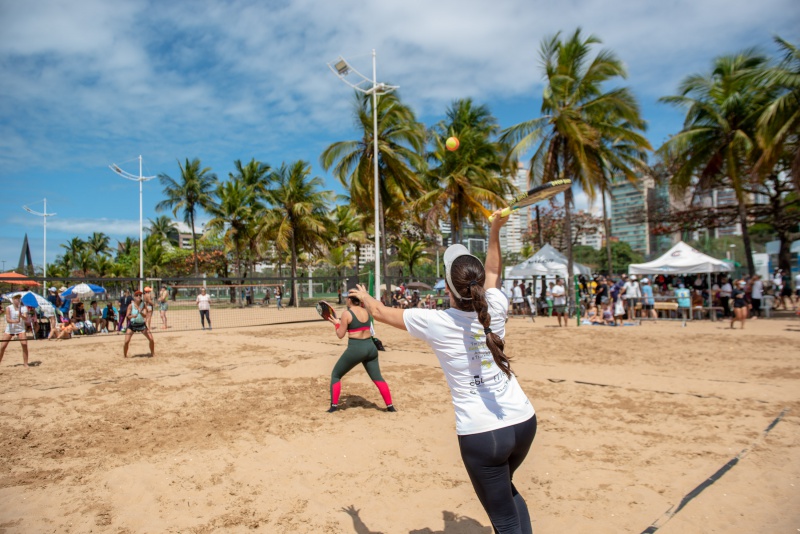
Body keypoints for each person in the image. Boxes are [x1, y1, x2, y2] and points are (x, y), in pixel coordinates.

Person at [348, 209, 536, 533]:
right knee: (507, 495)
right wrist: (494, 230)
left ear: (448, 289)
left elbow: (378, 311)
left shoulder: (435, 321)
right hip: (523, 422)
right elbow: (493, 269)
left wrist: (363, 296)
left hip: (483, 436)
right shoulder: (496, 304)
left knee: (503, 519)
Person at [324, 295, 396, 413]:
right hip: (371, 348)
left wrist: (337, 324)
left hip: (356, 348)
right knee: (377, 377)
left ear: (350, 300)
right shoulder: (367, 311)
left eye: (347, 297)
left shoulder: (347, 314)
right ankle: (390, 407)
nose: (345, 299)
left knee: (336, 374)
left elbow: (340, 335)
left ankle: (333, 406)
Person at [123, 290, 156, 357]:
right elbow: (127, 316)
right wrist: (132, 316)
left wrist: (140, 312)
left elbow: (145, 316)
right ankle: (125, 355)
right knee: (126, 341)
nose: (138, 296)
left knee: (151, 339)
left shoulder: (143, 305)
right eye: (137, 295)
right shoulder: (131, 305)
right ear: (134, 297)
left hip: (141, 324)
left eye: (140, 295)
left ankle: (152, 353)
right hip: (133, 324)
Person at [0, 294, 29, 367]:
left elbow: (26, 318)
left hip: (20, 329)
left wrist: (21, 315)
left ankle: (25, 363)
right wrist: (15, 321)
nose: (18, 300)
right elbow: (8, 320)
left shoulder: (23, 308)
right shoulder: (8, 308)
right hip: (10, 329)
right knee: (3, 346)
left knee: (24, 344)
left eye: (19, 298)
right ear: (13, 300)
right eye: (16, 298)